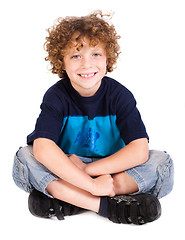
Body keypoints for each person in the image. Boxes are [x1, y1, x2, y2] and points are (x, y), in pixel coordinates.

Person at [12, 11, 174, 225]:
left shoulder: (120, 95)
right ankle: (104, 204)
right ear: (62, 62)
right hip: (68, 166)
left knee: (161, 163)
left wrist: (88, 171)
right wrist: (93, 185)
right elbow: (43, 148)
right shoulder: (56, 96)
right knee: (25, 157)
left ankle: (69, 197)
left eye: (96, 54)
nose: (87, 64)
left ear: (108, 58)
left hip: (111, 168)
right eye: (76, 56)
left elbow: (139, 149)